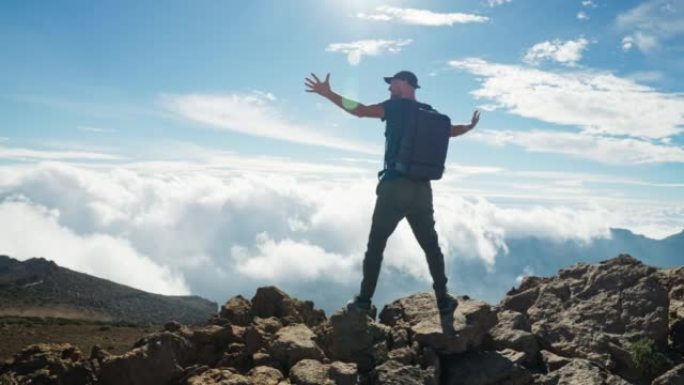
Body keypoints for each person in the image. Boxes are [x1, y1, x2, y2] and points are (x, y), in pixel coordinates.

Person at [304, 71, 480, 318]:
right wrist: (469, 127)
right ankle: (443, 299)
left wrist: (328, 93)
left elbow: (360, 110)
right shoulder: (430, 113)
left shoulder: (395, 108)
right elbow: (450, 131)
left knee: (376, 245)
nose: (389, 89)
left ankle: (364, 302)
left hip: (395, 186)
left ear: (406, 83)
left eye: (392, 84)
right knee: (431, 245)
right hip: (422, 189)